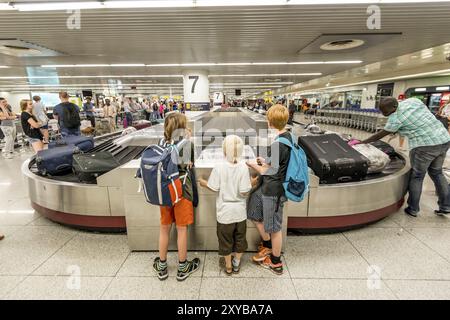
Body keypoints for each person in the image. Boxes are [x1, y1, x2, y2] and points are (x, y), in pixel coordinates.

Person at [359, 97, 450, 217]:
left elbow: (379, 135)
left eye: (385, 111)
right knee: (437, 173)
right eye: (381, 111)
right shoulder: (413, 101)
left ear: (394, 107)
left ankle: (413, 208)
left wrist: (361, 142)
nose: (383, 114)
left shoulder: (395, 118)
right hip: (443, 139)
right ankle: (446, 206)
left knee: (417, 176)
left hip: (424, 146)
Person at [153, 112, 200, 281]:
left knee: (164, 228)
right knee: (181, 230)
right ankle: (182, 267)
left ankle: (162, 266)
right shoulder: (188, 144)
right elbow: (190, 164)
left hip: (165, 191)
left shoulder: (160, 142)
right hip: (182, 191)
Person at [246, 104, 291, 275]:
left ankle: (275, 262)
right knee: (254, 210)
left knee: (274, 228)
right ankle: (267, 246)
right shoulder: (286, 137)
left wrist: (252, 164)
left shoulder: (279, 143)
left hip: (274, 191)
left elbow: (270, 171)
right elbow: (276, 165)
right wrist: (265, 160)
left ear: (270, 122)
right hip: (268, 187)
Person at [198, 135, 252, 275]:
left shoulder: (219, 167)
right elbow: (244, 191)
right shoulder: (243, 167)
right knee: (240, 240)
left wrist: (203, 183)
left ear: (223, 151)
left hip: (224, 213)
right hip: (240, 213)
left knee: (225, 240)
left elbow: (214, 188)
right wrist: (254, 181)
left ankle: (228, 266)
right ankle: (236, 263)